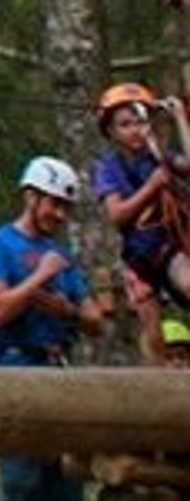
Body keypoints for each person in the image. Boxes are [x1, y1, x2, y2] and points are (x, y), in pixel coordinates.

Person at [0, 154, 105, 501]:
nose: (59, 215)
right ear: (31, 197)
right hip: (13, 370)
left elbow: (94, 318)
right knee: (24, 488)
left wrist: (66, 307)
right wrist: (37, 284)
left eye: (65, 208)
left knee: (64, 492)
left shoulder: (62, 257)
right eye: (53, 205)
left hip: (57, 372)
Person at [89, 81, 190, 366]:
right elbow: (117, 215)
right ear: (111, 131)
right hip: (139, 258)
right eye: (125, 124)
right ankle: (158, 390)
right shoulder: (108, 169)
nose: (135, 130)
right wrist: (152, 187)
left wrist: (181, 119)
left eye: (140, 122)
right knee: (153, 333)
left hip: (168, 247)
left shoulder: (159, 158)